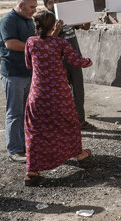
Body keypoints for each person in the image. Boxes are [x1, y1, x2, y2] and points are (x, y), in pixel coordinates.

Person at [23, 11, 94, 186]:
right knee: (68, 123)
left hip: (38, 95)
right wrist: (89, 61)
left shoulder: (31, 42)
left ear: (36, 25)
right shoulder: (61, 43)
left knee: (35, 129)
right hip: (59, 94)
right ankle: (79, 154)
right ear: (54, 25)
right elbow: (77, 61)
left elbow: (28, 64)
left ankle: (32, 171)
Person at [43, 0, 93, 130]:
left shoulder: (67, 15)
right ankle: (63, 123)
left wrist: (86, 16)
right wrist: (57, 29)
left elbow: (85, 27)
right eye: (50, 2)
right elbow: (46, 41)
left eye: (56, 1)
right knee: (61, 94)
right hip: (59, 62)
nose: (54, 3)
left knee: (78, 91)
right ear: (46, 5)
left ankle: (80, 121)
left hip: (75, 59)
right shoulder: (46, 19)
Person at [0, 0, 37, 162]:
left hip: (27, 72)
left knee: (25, 112)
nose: (34, 11)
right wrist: (34, 47)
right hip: (13, 73)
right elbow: (10, 44)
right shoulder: (8, 20)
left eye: (35, 7)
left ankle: (22, 145)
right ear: (21, 5)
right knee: (14, 113)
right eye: (31, 7)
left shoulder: (28, 20)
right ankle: (14, 149)